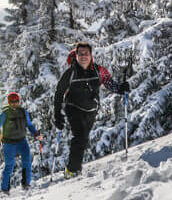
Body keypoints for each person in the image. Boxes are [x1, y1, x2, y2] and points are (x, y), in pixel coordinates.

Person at [53, 41, 129, 178]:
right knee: (80, 136)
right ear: (76, 55)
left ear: (91, 55)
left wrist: (121, 88)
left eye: (86, 53)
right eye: (80, 53)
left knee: (83, 139)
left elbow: (109, 82)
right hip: (73, 107)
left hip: (91, 109)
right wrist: (57, 115)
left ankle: (74, 168)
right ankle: (72, 170)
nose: (83, 56)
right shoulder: (70, 73)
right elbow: (59, 93)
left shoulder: (99, 70)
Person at [0, 91, 41, 194]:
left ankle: (26, 184)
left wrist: (35, 133)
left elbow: (29, 125)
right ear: (9, 102)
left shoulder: (24, 112)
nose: (14, 103)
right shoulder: (5, 113)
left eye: (16, 101)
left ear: (19, 101)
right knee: (9, 165)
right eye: (12, 101)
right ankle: (5, 189)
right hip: (8, 143)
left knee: (27, 162)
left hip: (22, 141)